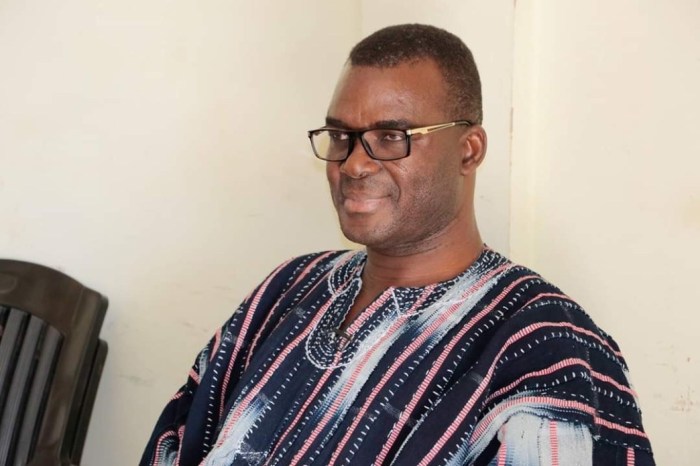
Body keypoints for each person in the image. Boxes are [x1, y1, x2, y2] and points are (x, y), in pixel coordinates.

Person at [141, 24, 654, 465]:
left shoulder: (544, 348)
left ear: (469, 150)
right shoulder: (287, 289)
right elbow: (175, 444)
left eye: (391, 137)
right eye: (340, 136)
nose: (353, 164)